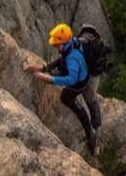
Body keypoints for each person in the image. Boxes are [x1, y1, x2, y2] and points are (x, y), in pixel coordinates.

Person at [24, 24, 100, 154]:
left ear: (63, 43)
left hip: (79, 82)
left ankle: (90, 133)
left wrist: (48, 79)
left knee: (66, 97)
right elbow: (60, 60)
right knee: (61, 74)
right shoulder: (72, 43)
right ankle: (90, 129)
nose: (55, 46)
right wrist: (43, 69)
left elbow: (71, 80)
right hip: (82, 74)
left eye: (56, 44)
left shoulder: (72, 58)